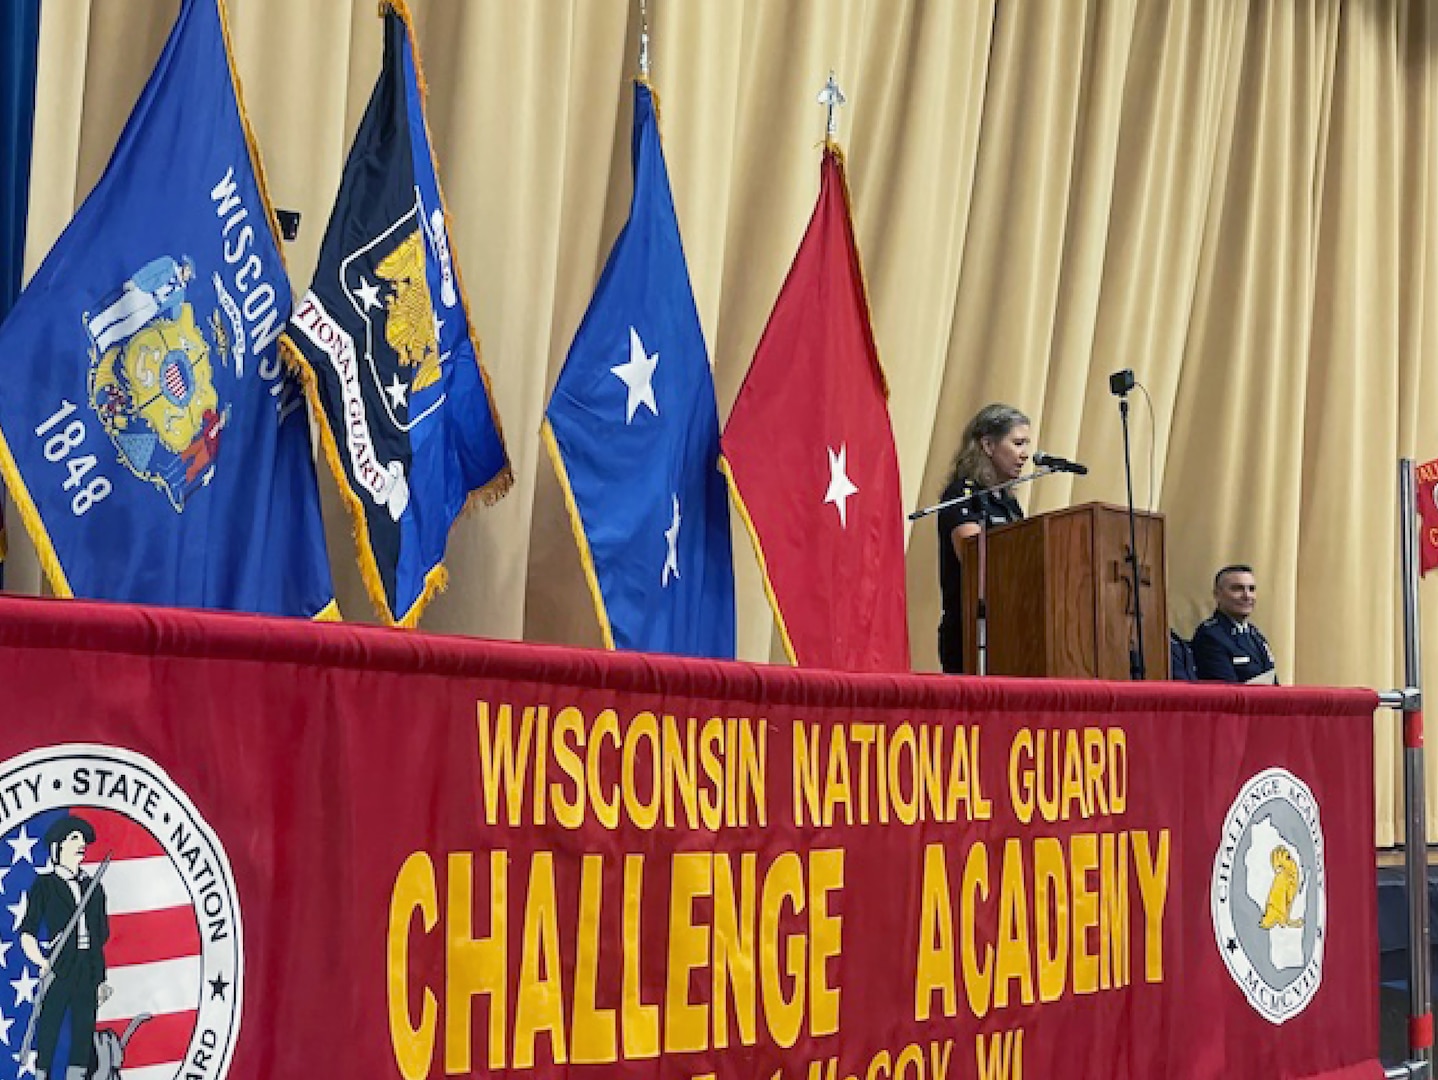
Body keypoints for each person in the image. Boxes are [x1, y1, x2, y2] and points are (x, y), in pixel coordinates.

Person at [936, 403, 1032, 673]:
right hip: (969, 630)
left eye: (1026, 444)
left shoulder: (1009, 504)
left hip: (1011, 630)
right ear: (988, 445)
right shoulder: (962, 494)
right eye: (1018, 443)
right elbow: (974, 556)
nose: (1025, 455)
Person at [19, 814, 112, 1080]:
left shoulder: (95, 888)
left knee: (84, 1028)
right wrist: (42, 962)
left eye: (83, 840)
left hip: (87, 970)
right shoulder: (45, 886)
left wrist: (100, 979)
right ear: (57, 847)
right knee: (49, 1026)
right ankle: (42, 1074)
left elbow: (99, 937)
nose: (81, 844)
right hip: (58, 968)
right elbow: (27, 932)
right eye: (74, 838)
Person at [1190, 564, 1277, 683]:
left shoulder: (1255, 636)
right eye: (1237, 589)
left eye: (1251, 589)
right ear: (1217, 595)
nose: (1247, 596)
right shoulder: (1211, 636)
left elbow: (1273, 682)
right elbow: (1227, 692)